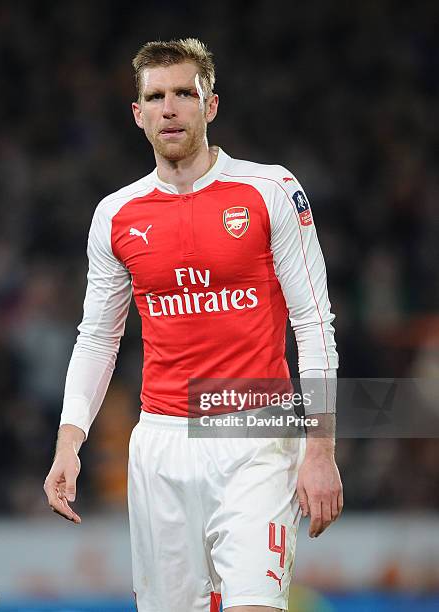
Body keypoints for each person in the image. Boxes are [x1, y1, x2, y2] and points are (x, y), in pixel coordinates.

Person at [44, 38, 343, 612]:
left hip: (258, 429)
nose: (170, 107)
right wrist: (68, 444)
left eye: (185, 92)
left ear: (211, 106)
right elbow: (99, 337)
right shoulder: (116, 215)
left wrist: (320, 448)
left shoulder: (270, 190)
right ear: (138, 114)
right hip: (160, 442)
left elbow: (313, 322)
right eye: (155, 96)